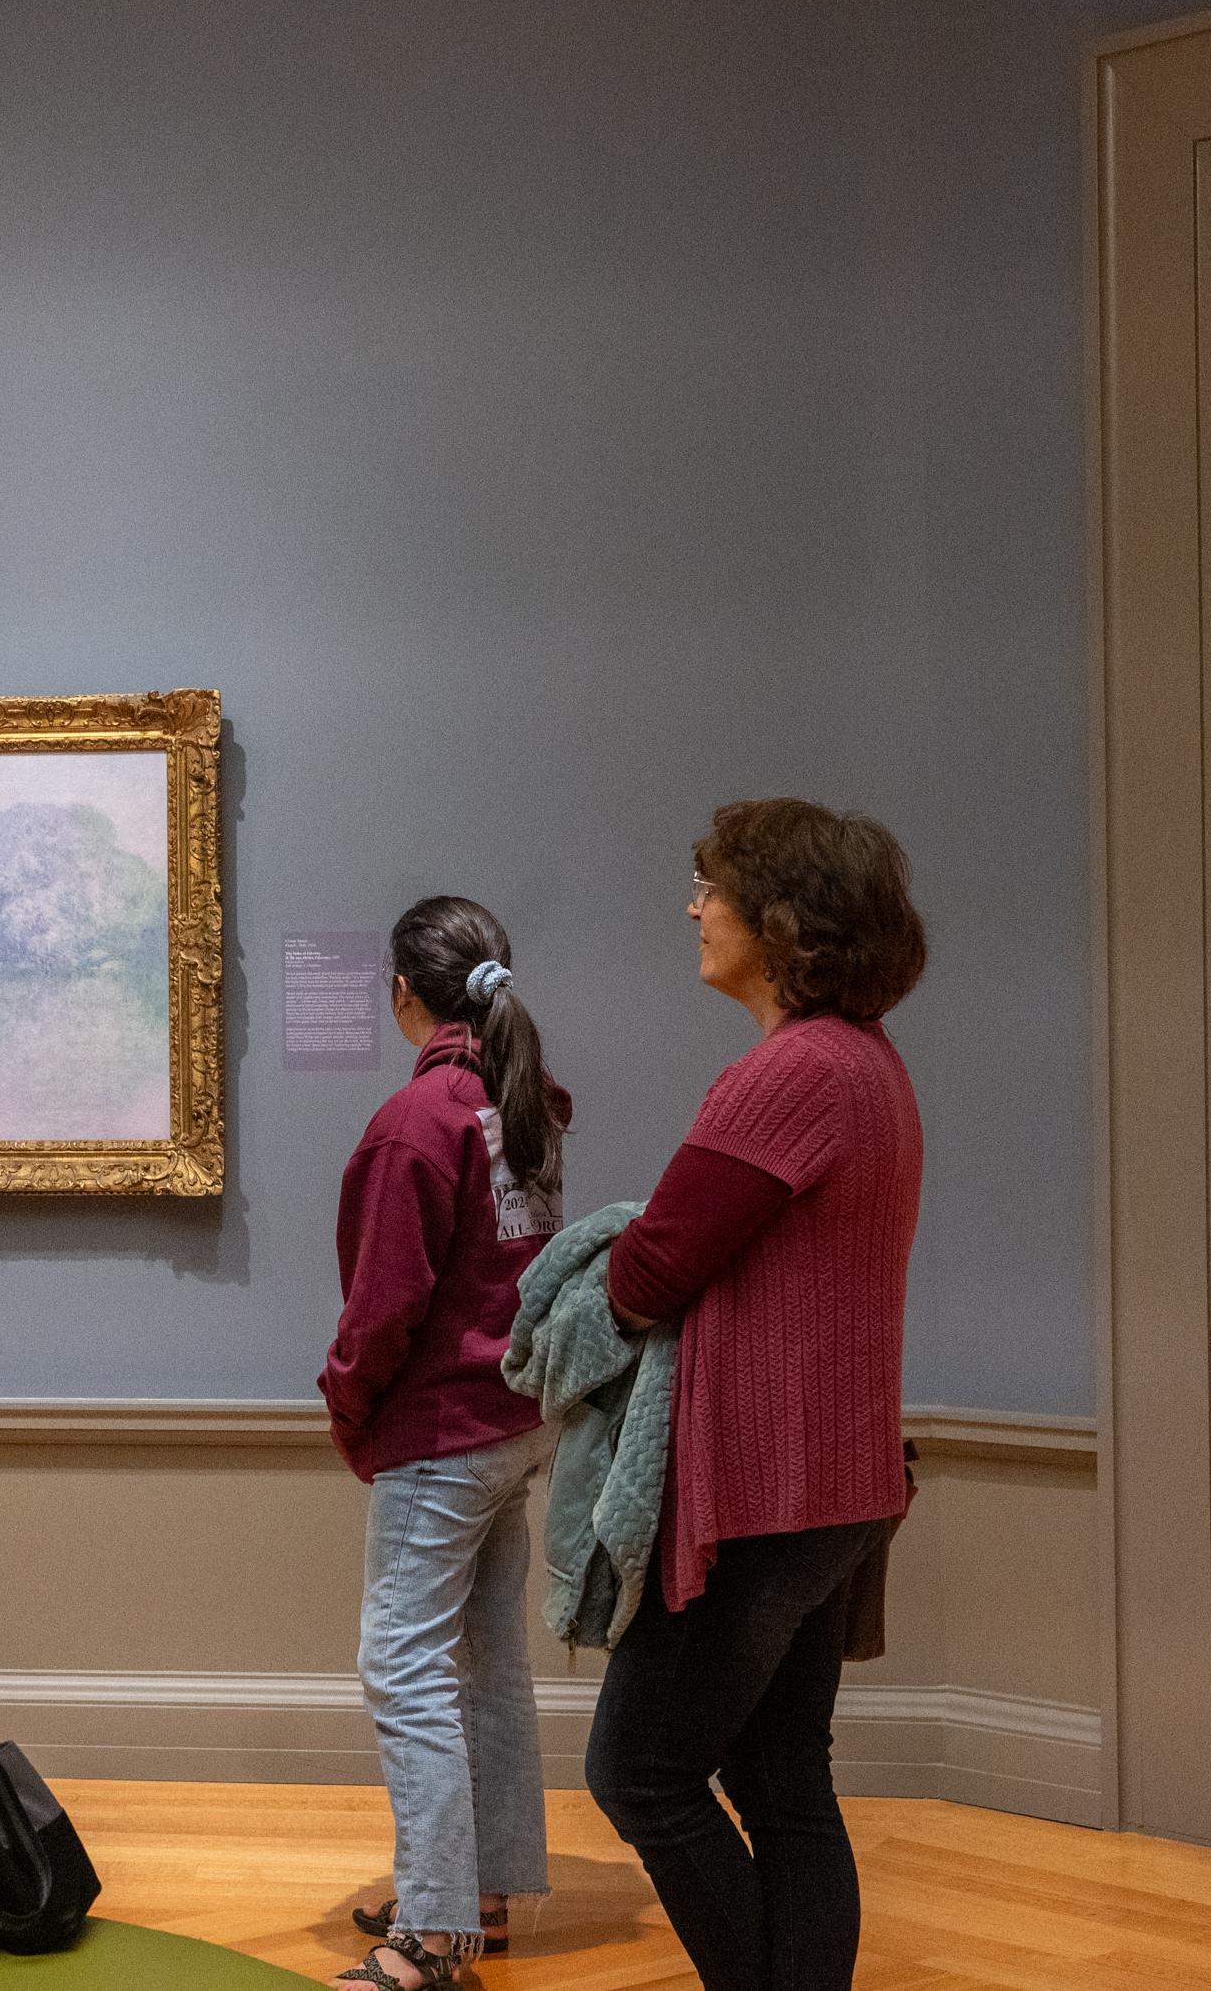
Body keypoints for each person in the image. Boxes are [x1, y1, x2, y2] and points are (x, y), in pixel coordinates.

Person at [584, 799, 927, 1991]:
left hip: (763, 1493)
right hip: (835, 1486)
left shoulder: (790, 1074)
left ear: (778, 917)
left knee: (641, 1774)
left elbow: (649, 1270)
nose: (692, 907)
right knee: (785, 1784)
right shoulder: (869, 1066)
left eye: (707, 885)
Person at [316, 896, 567, 1990]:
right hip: (517, 1420)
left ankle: (427, 1940)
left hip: (445, 1431)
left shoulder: (416, 1122)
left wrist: (347, 1404)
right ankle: (480, 1892)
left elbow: (383, 1305)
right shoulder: (522, 1105)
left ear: (404, 994)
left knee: (404, 1666)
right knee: (487, 1660)